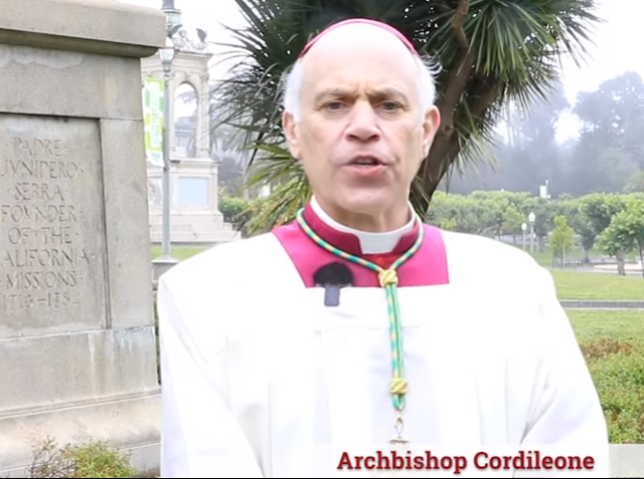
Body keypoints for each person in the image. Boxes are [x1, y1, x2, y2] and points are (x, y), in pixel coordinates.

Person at [156, 18, 609, 478]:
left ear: (427, 129)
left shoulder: (513, 287)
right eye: (335, 105)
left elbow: (568, 457)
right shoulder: (206, 299)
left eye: (388, 105)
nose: (363, 126)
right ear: (293, 130)